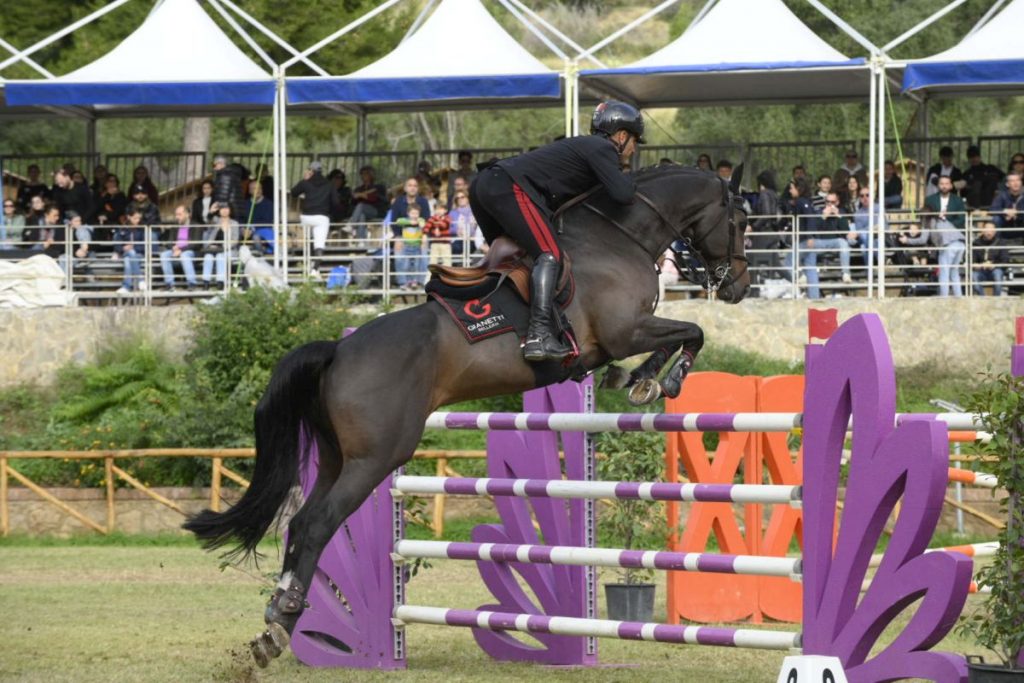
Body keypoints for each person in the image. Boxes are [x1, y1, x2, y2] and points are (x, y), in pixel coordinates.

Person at [469, 100, 641, 362]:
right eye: (634, 141)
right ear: (621, 135)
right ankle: (538, 335)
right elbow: (623, 194)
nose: (634, 149)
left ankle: (491, 318)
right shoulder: (603, 148)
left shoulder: (584, 147)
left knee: (517, 258)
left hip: (484, 185)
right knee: (549, 254)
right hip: (508, 185)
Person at [924, 175, 967, 297]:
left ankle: (944, 299)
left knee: (945, 272)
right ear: (938, 185)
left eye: (946, 183)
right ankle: (959, 298)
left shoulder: (957, 200)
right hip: (951, 242)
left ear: (951, 185)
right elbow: (927, 217)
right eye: (941, 183)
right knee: (954, 272)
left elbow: (961, 219)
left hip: (950, 241)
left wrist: (945, 221)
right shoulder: (930, 199)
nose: (944, 186)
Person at [290, 161, 336, 274]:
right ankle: (315, 270)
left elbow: (293, 193)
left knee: (309, 237)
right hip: (322, 217)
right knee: (319, 244)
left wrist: (304, 180)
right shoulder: (329, 184)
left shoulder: (306, 182)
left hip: (307, 217)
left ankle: (308, 262)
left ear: (311, 171)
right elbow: (336, 202)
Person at [780, 177, 821, 298]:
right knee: (811, 267)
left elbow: (810, 218)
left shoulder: (802, 202)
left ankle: (800, 277)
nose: (790, 191)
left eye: (792, 188)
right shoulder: (804, 201)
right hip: (806, 240)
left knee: (788, 262)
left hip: (803, 240)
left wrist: (809, 236)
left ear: (799, 188)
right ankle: (814, 297)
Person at [814, 192, 855, 285]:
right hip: (820, 242)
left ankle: (846, 274)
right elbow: (815, 230)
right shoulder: (819, 212)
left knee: (843, 242)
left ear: (837, 202)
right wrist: (823, 217)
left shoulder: (841, 212)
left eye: (833, 202)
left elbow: (846, 231)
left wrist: (839, 216)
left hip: (836, 243)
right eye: (828, 202)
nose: (830, 204)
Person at [159, 204, 201, 291]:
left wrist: (181, 250)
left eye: (179, 214)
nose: (177, 217)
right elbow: (170, 242)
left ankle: (192, 283)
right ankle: (170, 284)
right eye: (176, 214)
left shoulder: (196, 225)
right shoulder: (175, 226)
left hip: (191, 251)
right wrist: (174, 247)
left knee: (185, 255)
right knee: (164, 255)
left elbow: (196, 244)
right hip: (177, 250)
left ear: (187, 214)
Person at [200, 204, 239, 289]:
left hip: (228, 249)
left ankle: (220, 283)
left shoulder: (234, 223)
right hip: (212, 248)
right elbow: (207, 221)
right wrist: (211, 212)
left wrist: (222, 246)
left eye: (226, 208)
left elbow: (235, 240)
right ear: (219, 211)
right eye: (222, 208)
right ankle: (206, 283)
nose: (224, 210)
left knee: (220, 256)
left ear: (230, 210)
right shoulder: (215, 220)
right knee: (208, 257)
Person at [113, 208, 147, 293]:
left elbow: (145, 246)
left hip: (138, 254)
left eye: (139, 218)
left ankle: (126, 287)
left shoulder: (142, 229)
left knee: (128, 259)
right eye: (135, 218)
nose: (137, 220)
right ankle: (140, 280)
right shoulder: (122, 229)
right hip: (125, 253)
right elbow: (117, 245)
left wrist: (133, 248)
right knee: (130, 254)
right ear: (129, 217)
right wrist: (123, 248)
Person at [971, 220, 1008, 296]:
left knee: (998, 274)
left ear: (995, 231)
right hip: (981, 271)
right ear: (983, 230)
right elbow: (972, 260)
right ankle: (983, 300)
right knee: (973, 276)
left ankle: (995, 300)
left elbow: (1005, 260)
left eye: (991, 229)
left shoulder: (1001, 243)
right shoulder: (976, 243)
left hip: (995, 269)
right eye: (987, 229)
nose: (989, 232)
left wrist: (993, 265)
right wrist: (979, 265)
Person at [394, 204, 427, 289]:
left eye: (416, 213)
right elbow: (398, 221)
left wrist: (419, 223)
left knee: (416, 265)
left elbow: (423, 224)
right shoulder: (405, 221)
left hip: (417, 246)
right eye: (412, 213)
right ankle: (406, 282)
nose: (414, 215)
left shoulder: (420, 220)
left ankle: (414, 281)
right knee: (406, 265)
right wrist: (410, 222)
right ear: (408, 213)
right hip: (406, 246)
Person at [961, 145, 1004, 210]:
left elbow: (1004, 178)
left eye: (975, 156)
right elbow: (963, 192)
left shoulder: (990, 168)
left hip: (991, 200)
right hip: (974, 204)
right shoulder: (966, 174)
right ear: (968, 159)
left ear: (979, 157)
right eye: (971, 157)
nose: (974, 159)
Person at [989, 172, 1024, 243]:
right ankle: (996, 246)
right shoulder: (1002, 195)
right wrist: (1005, 211)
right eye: (1012, 181)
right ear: (1007, 184)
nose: (1016, 183)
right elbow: (992, 210)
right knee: (996, 219)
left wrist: (1016, 213)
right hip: (1005, 226)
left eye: (1018, 180)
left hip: (1021, 225)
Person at [242, 180, 275, 255]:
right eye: (254, 188)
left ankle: (262, 255)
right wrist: (243, 229)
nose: (257, 191)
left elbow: (267, 221)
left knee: (257, 236)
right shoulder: (245, 204)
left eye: (259, 188)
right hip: (246, 231)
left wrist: (252, 229)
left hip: (261, 231)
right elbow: (241, 219)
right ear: (249, 191)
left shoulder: (269, 204)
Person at [212, 155, 248, 221]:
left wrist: (216, 212)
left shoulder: (225, 175)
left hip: (230, 213)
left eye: (214, 165)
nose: (214, 168)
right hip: (235, 210)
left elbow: (223, 196)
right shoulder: (232, 174)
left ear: (221, 164)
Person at [447, 188, 478, 261]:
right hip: (458, 239)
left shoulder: (475, 211)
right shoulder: (452, 213)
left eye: (462, 197)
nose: (460, 199)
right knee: (456, 248)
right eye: (458, 198)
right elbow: (448, 228)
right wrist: (456, 231)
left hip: (473, 239)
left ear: (467, 198)